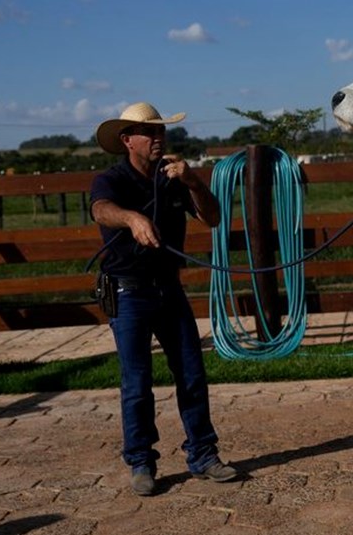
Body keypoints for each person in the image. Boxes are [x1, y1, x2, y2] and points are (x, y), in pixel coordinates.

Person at [90, 101, 237, 496]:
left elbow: (214, 217)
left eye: (161, 132)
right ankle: (141, 461)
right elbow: (101, 210)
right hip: (129, 292)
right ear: (127, 140)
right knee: (136, 382)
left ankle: (203, 455)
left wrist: (193, 183)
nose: (158, 139)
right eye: (149, 133)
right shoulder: (112, 179)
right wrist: (133, 219)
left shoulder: (174, 177)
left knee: (191, 373)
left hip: (168, 288)